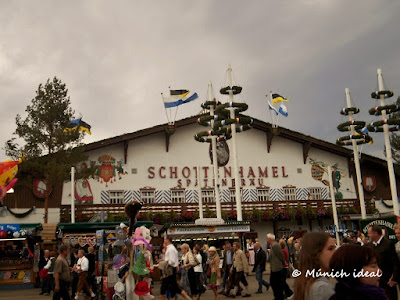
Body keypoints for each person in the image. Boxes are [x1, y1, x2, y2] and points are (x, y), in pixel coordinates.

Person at [293, 232, 336, 300]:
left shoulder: (304, 282)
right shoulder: (322, 288)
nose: (335, 252)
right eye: (330, 249)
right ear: (316, 253)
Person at [368, 225, 400, 300]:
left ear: (375, 233)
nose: (368, 235)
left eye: (369, 233)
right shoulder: (370, 245)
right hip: (376, 281)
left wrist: (394, 278)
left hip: (388, 281)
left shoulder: (388, 244)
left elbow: (395, 262)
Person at [267, 233, 285, 300]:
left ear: (270, 239)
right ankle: (277, 296)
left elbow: (280, 255)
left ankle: (279, 296)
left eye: (267, 238)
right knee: (274, 282)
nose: (267, 240)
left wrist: (283, 263)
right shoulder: (272, 245)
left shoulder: (275, 245)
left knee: (276, 283)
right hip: (274, 267)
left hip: (277, 267)